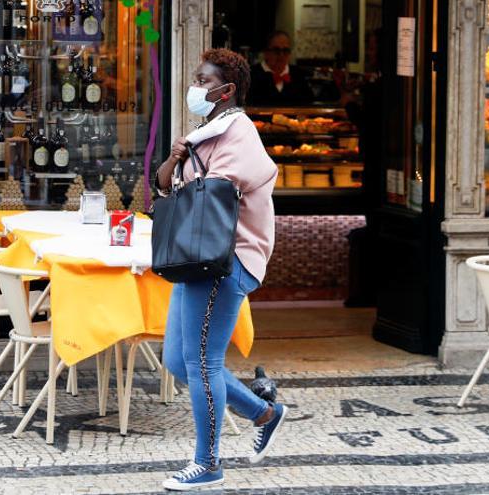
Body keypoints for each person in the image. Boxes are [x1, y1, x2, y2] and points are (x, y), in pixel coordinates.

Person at [155, 48, 286, 491]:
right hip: (195, 258)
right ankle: (265, 412)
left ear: (225, 90)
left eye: (202, 78)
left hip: (224, 260)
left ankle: (207, 462)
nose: (194, 85)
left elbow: (214, 194)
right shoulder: (206, 130)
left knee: (203, 362)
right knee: (177, 358)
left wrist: (190, 168)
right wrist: (176, 159)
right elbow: (165, 184)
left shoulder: (239, 133)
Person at [249, 31, 313, 106]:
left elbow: (309, 105)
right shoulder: (250, 75)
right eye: (276, 50)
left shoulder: (298, 75)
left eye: (285, 50)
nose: (281, 55)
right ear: (266, 52)